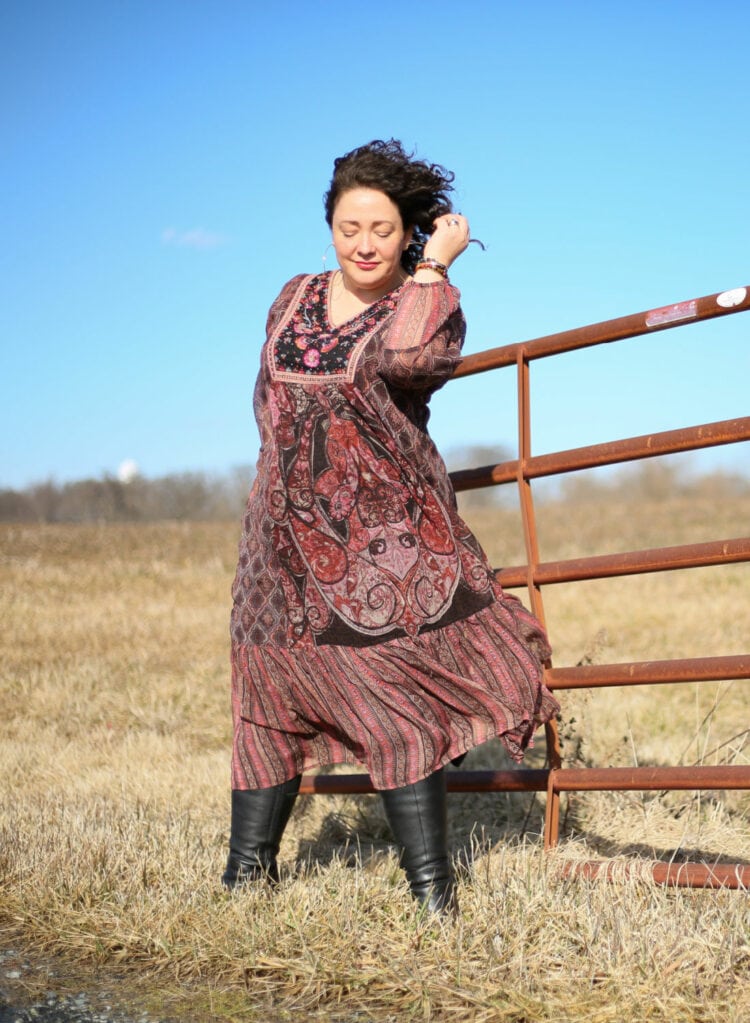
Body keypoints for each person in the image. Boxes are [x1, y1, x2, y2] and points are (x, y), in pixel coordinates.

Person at [224, 139, 559, 915]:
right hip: (277, 553)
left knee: (393, 705)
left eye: (382, 227)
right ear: (329, 228)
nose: (365, 243)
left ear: (409, 231)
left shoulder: (422, 300)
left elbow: (411, 359)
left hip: (379, 549)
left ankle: (433, 894)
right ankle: (245, 877)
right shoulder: (291, 295)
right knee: (265, 707)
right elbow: (267, 401)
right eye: (350, 227)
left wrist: (436, 265)